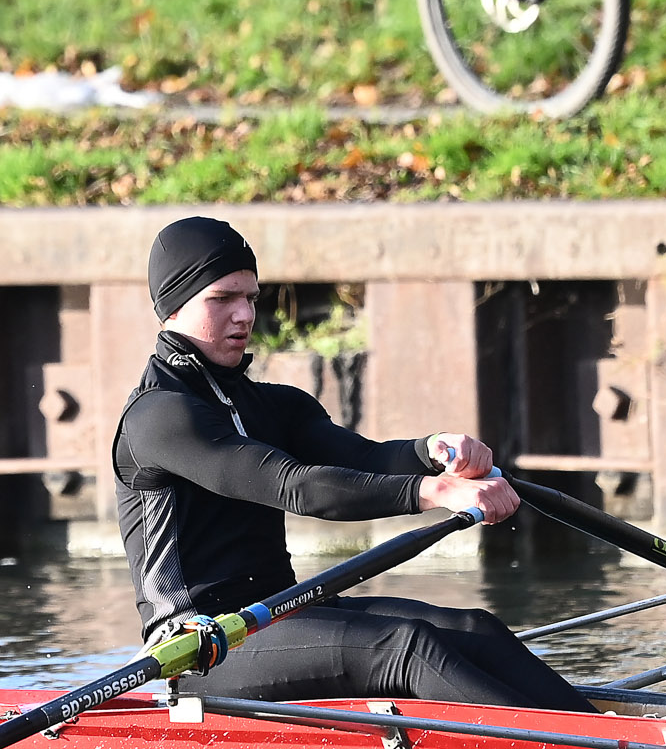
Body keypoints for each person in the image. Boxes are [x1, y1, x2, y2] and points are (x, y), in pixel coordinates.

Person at [110, 216, 594, 712]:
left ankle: (609, 734)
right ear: (173, 306)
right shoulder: (158, 416)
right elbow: (295, 486)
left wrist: (433, 451)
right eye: (223, 299)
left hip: (279, 614)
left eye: (251, 298)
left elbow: (364, 458)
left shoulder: (273, 405)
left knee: (474, 628)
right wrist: (434, 493)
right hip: (200, 649)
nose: (243, 315)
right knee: (406, 648)